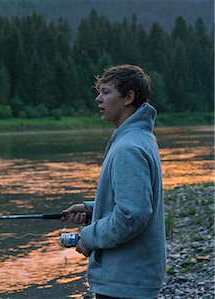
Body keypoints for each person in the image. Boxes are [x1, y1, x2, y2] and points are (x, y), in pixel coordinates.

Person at [62, 64, 166, 299]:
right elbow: (135, 201)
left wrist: (89, 237)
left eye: (106, 92)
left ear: (129, 97)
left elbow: (132, 215)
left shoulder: (128, 147)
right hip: (131, 278)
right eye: (99, 92)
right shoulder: (139, 138)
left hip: (126, 280)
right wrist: (93, 209)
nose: (99, 99)